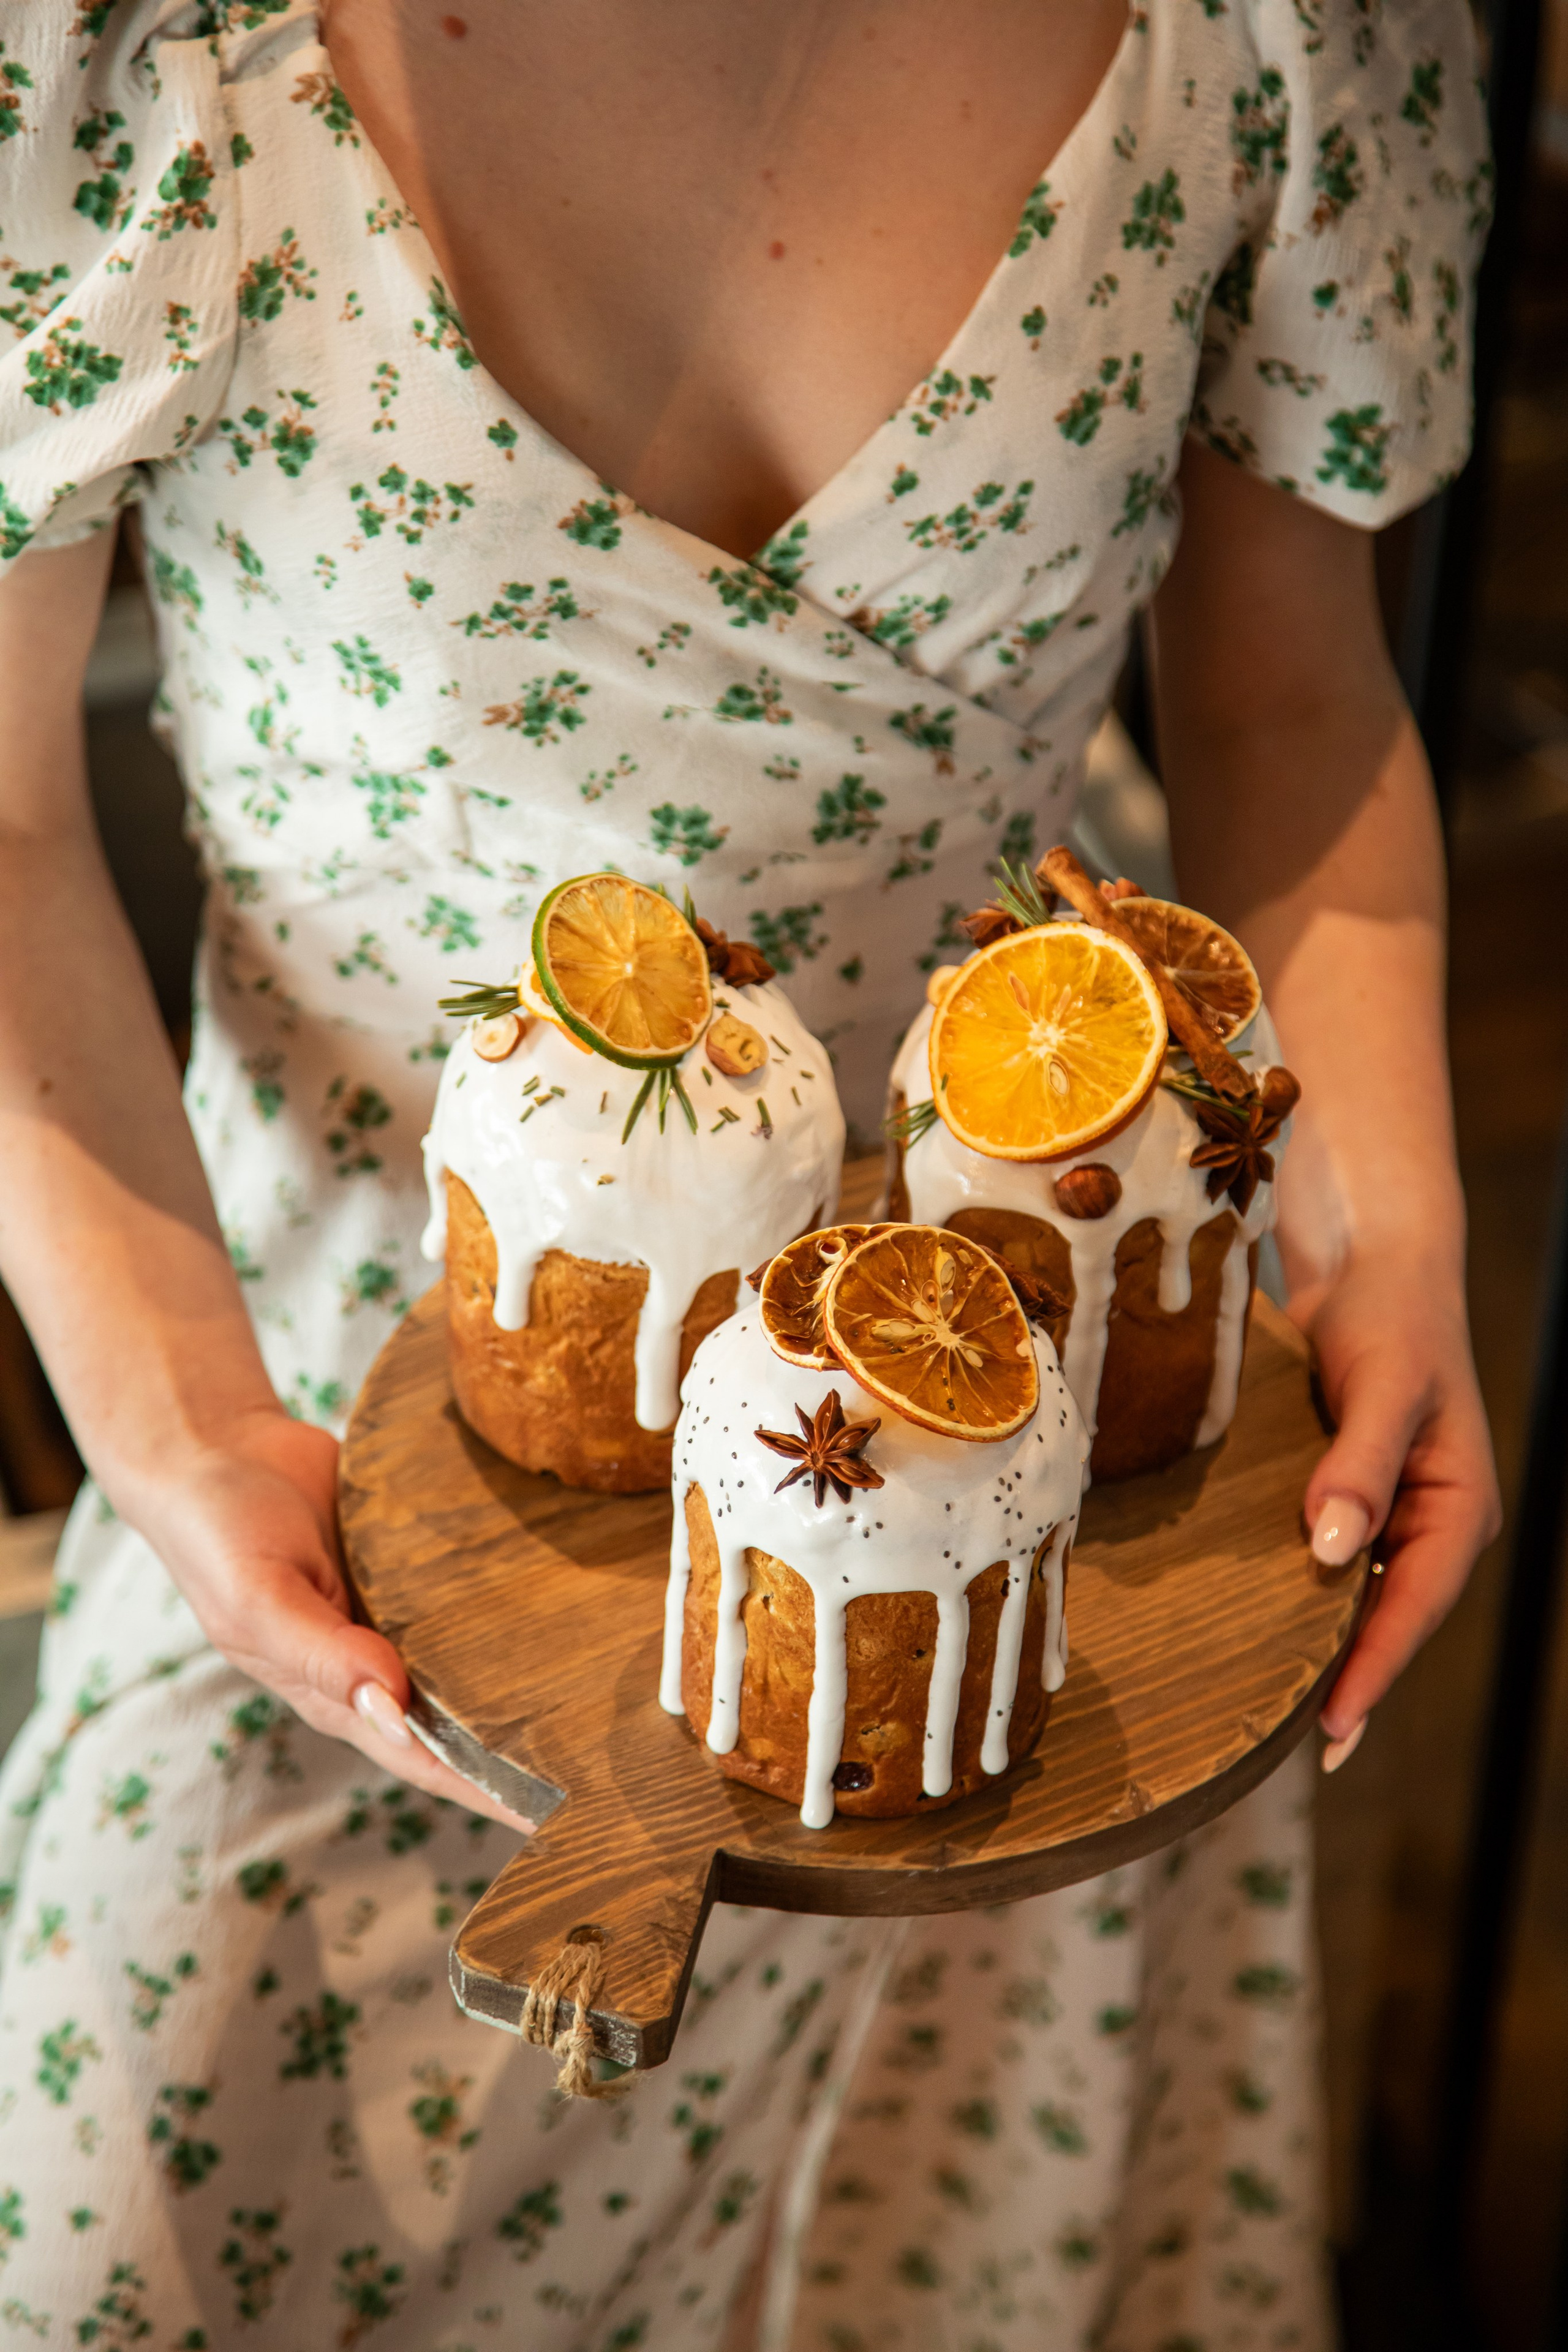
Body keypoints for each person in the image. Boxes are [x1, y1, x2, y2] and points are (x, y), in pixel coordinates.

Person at [0, 0, 1499, 2342]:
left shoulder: (1284, 31)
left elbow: (1290, 696)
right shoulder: (100, 60)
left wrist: (1391, 1231)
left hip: (1018, 1581)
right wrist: (183, 1421)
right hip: (346, 1528)